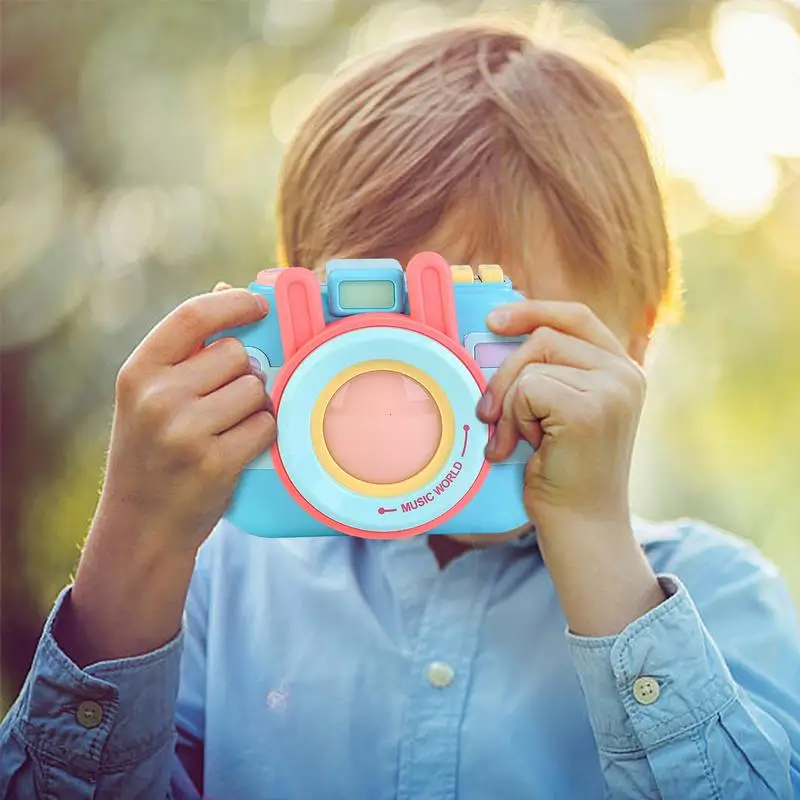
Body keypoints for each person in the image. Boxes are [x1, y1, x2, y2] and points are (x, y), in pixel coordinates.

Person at [2, 15, 799, 800]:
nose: (431, 391)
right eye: (390, 335)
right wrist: (136, 538)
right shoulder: (217, 589)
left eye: (491, 329)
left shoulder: (716, 594)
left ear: (634, 349)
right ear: (302, 332)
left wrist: (592, 536)